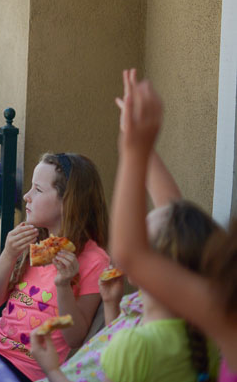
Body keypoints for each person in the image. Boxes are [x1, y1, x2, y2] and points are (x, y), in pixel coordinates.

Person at [110, 69, 237, 380]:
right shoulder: (205, 329)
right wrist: (142, 148)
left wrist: (134, 148)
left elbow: (131, 252)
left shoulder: (135, 349)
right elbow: (172, 214)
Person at [31, 199, 219, 382]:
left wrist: (52, 369)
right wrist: (110, 303)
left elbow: (128, 359)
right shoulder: (205, 339)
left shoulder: (136, 346)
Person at [0, 153, 110, 382]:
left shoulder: (94, 261)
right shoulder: (33, 239)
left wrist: (63, 285)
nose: (26, 196)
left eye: (38, 190)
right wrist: (8, 254)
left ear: (67, 202)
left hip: (25, 369)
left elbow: (75, 338)